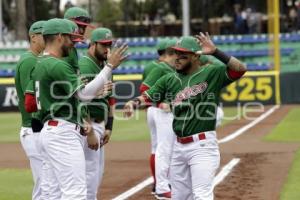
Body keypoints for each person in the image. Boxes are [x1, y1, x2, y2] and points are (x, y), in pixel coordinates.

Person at [124, 33, 246, 200]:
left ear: (196, 56)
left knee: (201, 195)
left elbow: (240, 69)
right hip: (178, 147)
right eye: (175, 53)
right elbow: (148, 95)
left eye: (183, 55)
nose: (177, 58)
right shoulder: (169, 79)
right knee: (179, 197)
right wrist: (133, 103)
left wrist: (216, 51)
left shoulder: (211, 73)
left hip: (202, 146)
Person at [30, 18, 127, 199]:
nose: (74, 42)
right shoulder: (56, 64)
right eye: (70, 38)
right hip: (63, 132)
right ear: (59, 37)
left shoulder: (41, 62)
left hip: (51, 129)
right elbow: (84, 94)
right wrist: (109, 67)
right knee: (75, 192)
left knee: (53, 192)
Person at [79, 27, 116, 199]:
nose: (108, 49)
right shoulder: (85, 64)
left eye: (110, 44)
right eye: (104, 45)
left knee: (96, 172)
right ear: (93, 44)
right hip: (89, 125)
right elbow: (80, 101)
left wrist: (109, 126)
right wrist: (90, 131)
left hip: (99, 124)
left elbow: (110, 99)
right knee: (89, 173)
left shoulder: (105, 65)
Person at [140, 38, 177, 199]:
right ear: (169, 52)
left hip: (153, 109)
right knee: (165, 148)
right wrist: (158, 101)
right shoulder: (162, 67)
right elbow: (145, 88)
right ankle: (162, 185)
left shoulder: (151, 65)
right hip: (159, 110)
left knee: (157, 148)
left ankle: (158, 184)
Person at [14, 20, 45, 200]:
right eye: (44, 36)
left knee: (46, 183)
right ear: (33, 38)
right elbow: (31, 100)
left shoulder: (34, 59)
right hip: (33, 129)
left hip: (35, 129)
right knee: (43, 185)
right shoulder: (29, 61)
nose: (48, 39)